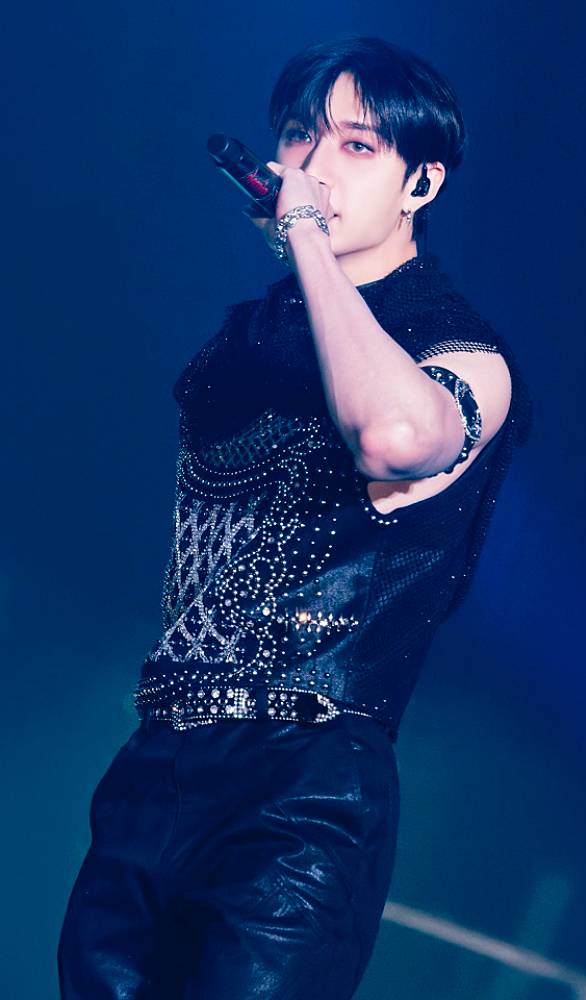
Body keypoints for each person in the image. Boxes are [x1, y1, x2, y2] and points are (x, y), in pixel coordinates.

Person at [57, 34, 532, 999]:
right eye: (298, 137)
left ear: (420, 183)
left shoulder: (460, 347)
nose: (313, 166)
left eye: (356, 145)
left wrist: (308, 233)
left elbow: (393, 438)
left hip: (301, 785)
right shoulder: (248, 335)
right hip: (157, 763)